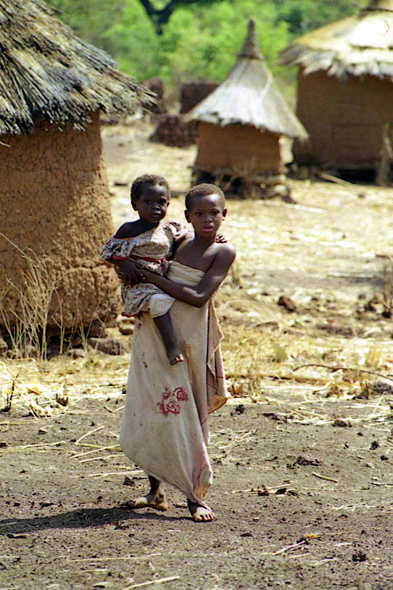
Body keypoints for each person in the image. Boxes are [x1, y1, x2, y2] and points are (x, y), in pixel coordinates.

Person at [118, 183, 236, 522]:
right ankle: (155, 491)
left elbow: (198, 297)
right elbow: (141, 252)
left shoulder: (223, 253)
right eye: (199, 214)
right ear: (187, 217)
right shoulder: (178, 242)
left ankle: (194, 495)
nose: (207, 219)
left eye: (214, 213)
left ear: (224, 215)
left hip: (190, 338)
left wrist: (155, 281)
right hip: (156, 331)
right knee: (155, 405)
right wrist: (131, 269)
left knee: (188, 411)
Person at [100, 174, 189, 365]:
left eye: (161, 202)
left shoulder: (170, 229)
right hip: (140, 284)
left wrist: (215, 239)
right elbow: (107, 252)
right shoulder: (129, 230)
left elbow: (190, 241)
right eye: (148, 202)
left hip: (164, 279)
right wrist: (124, 263)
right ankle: (171, 346)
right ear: (135, 205)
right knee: (158, 301)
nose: (155, 207)